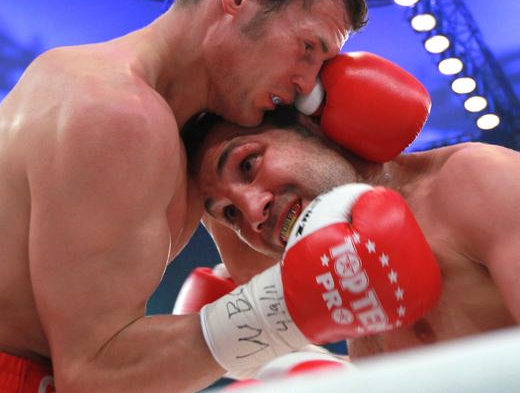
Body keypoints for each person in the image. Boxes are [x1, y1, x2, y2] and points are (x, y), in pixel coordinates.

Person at [0, 0, 369, 392]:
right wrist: (278, 313)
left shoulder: (199, 133)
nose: (307, 85)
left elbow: (263, 275)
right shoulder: (115, 112)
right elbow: (92, 375)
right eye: (307, 48)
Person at [183, 108, 520, 368]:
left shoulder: (474, 181)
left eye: (248, 165)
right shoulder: (342, 278)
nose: (254, 212)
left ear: (308, 125)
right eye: (231, 213)